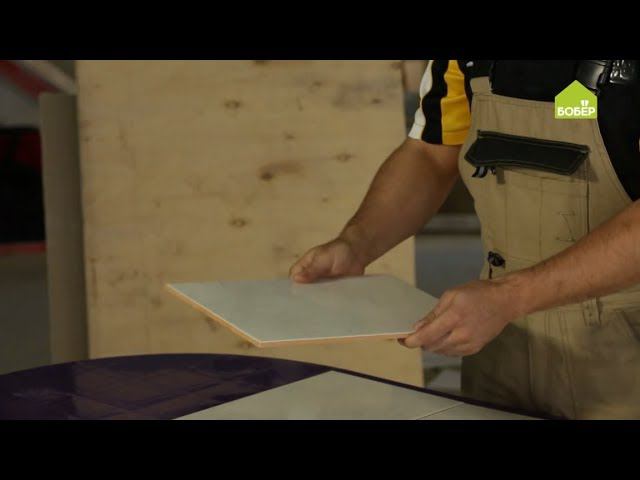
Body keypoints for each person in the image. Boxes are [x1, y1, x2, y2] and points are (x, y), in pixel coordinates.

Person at [289, 60, 640, 419]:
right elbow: (430, 153)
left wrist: (510, 296)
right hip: (500, 336)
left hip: (622, 349)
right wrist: (357, 243)